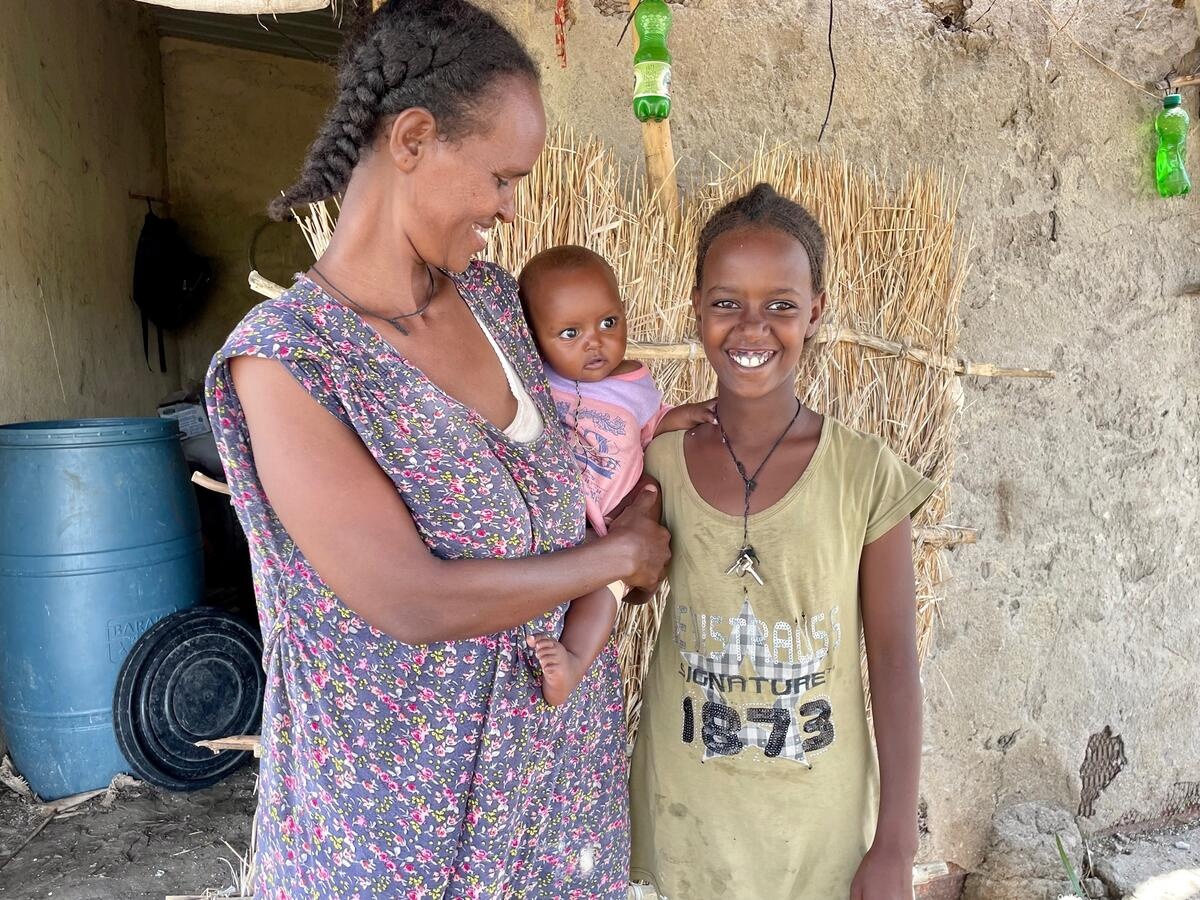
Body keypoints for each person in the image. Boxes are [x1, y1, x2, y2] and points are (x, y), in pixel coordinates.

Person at [205, 3, 670, 896]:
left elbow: (583, 463)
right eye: (501, 176)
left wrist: (637, 508)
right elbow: (411, 599)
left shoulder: (494, 303)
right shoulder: (292, 362)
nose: (510, 206)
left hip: (555, 800)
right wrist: (611, 557)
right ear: (413, 138)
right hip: (401, 835)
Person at [629, 183, 935, 900]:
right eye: (727, 302)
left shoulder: (863, 473)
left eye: (781, 306)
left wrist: (894, 842)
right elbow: (627, 586)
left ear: (817, 313)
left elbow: (893, 661)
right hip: (687, 823)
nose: (752, 329)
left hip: (817, 839)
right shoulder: (659, 462)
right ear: (697, 307)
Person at [517, 245, 714, 705]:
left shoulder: (633, 383)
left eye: (609, 322)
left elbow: (651, 422)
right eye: (570, 332)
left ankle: (573, 663)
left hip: (614, 520)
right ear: (534, 337)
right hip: (557, 522)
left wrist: (681, 415)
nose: (595, 342)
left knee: (602, 592)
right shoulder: (538, 379)